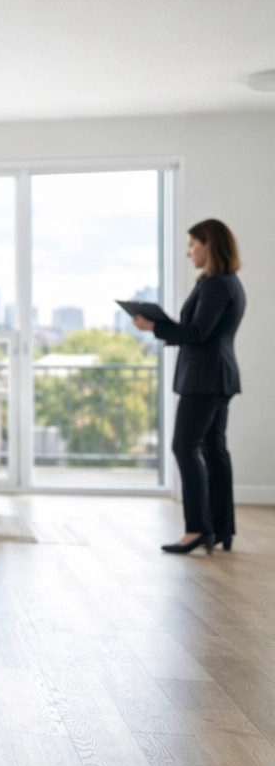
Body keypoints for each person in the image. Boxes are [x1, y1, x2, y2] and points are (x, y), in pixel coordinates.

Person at [134, 219, 244, 555]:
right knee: (213, 450)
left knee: (185, 446)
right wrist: (170, 328)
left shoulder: (215, 285)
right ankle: (222, 528)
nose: (188, 252)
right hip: (217, 375)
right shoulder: (228, 284)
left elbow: (198, 334)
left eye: (193, 245)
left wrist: (155, 326)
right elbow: (202, 330)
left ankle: (197, 529)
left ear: (209, 245)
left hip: (204, 378)